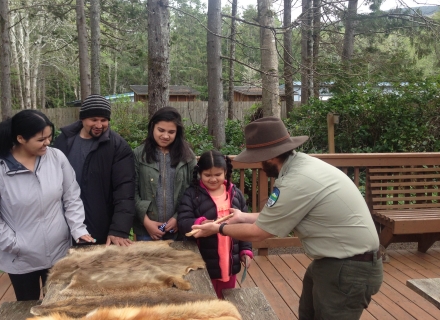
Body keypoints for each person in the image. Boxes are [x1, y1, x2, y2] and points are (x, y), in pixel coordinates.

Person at [191, 117, 383, 319]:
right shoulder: (303, 165)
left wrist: (218, 229)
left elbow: (259, 233)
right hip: (332, 262)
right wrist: (241, 216)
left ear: (270, 157)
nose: (259, 164)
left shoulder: (297, 181)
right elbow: (280, 214)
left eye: (258, 158)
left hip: (350, 268)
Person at [0, 110, 94, 301]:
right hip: (21, 257)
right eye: (41, 139)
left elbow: (71, 196)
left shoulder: (56, 158)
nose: (47, 143)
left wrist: (78, 230)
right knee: (27, 306)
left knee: (59, 305)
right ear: (21, 138)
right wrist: (13, 244)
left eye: (49, 137)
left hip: (59, 252)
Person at [54, 94, 135, 246]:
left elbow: (125, 189)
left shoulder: (118, 146)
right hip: (63, 223)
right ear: (82, 119)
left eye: (103, 120)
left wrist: (119, 229)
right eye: (94, 120)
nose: (99, 125)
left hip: (100, 223)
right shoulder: (64, 142)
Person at [178, 150, 253, 299]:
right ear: (200, 173)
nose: (213, 179)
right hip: (203, 261)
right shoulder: (192, 194)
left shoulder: (235, 194)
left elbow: (244, 226)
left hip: (230, 262)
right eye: (207, 175)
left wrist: (245, 250)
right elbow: (183, 221)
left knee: (226, 299)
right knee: (204, 300)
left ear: (225, 172)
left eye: (218, 174)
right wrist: (198, 223)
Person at [133, 106, 196, 241]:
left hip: (179, 229)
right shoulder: (138, 154)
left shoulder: (188, 156)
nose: (165, 136)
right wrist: (146, 222)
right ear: (152, 127)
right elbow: (131, 191)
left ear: (177, 132)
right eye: (160, 130)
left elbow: (196, 189)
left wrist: (178, 217)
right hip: (146, 230)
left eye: (171, 132)